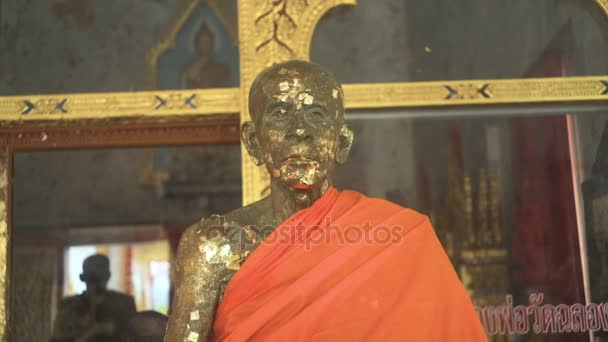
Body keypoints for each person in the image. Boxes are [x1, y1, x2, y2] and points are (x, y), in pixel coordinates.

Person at [164, 60, 487, 341]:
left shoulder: (397, 238)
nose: (300, 130)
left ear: (342, 141)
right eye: (280, 113)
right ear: (253, 142)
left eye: (316, 114)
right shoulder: (213, 246)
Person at [51, 254, 136, 342]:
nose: (96, 282)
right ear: (82, 277)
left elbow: (135, 335)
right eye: (92, 277)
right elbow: (57, 338)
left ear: (108, 276)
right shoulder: (69, 305)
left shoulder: (123, 303)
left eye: (100, 276)